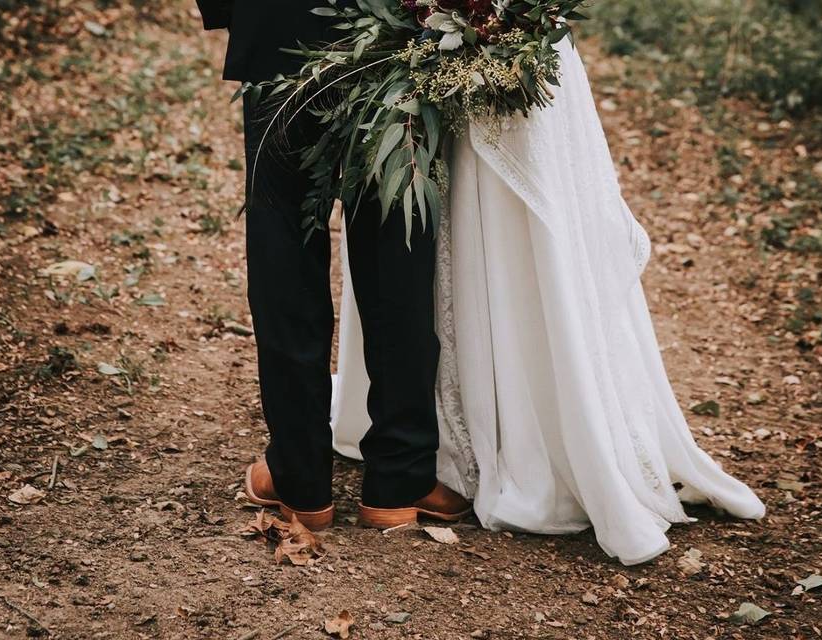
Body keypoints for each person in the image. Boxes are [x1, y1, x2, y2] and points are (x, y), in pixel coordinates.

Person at [332, 40, 766, 564]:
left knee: (514, 226)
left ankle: (507, 433)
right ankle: (420, 438)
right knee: (425, 211)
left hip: (505, 54)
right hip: (424, 56)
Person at [195, 0, 472, 530]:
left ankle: (300, 477)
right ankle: (400, 477)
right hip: (401, 25)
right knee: (399, 240)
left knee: (283, 237)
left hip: (280, 20)